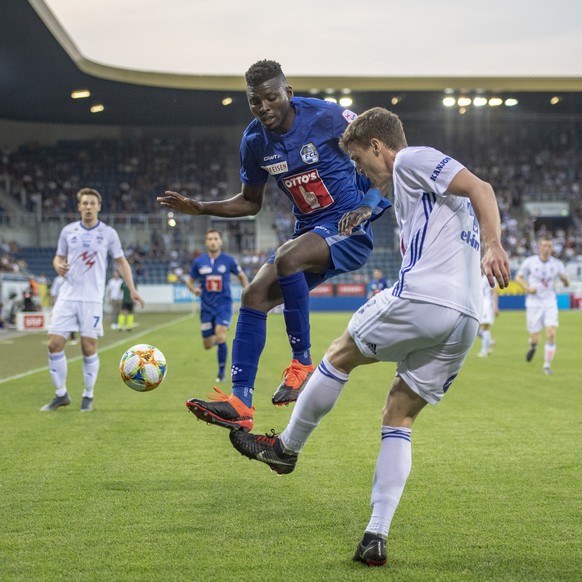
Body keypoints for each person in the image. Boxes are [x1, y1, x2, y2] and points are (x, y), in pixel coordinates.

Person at [229, 107, 510, 567]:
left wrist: (495, 243)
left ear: (379, 146)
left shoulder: (411, 159)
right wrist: (365, 206)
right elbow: (461, 199)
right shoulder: (413, 190)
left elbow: (482, 187)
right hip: (465, 320)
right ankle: (375, 535)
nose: (361, 172)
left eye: (360, 161)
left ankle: (285, 449)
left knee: (338, 355)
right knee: (398, 415)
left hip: (422, 299)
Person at [157, 59, 390, 431]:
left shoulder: (328, 117)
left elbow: (383, 154)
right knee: (253, 296)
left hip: (349, 227)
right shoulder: (253, 141)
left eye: (270, 98)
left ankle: (302, 364)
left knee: (286, 258)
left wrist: (369, 204)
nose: (263, 107)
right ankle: (240, 402)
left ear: (288, 93)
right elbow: (251, 202)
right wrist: (201, 208)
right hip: (311, 232)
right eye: (255, 102)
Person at [41, 187, 144, 412]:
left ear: (99, 206)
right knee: (53, 343)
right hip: (68, 296)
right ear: (79, 206)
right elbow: (58, 257)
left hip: (91, 300)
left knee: (88, 348)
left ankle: (88, 395)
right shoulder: (68, 231)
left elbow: (121, 261)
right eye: (84, 203)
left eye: (92, 203)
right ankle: (61, 394)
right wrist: (57, 265)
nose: (88, 207)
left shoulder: (108, 233)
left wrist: (132, 289)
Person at [187, 229, 249, 382]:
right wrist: (194, 289)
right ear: (206, 242)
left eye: (215, 238)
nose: (213, 241)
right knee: (207, 344)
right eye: (210, 239)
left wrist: (247, 293)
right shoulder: (199, 262)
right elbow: (189, 280)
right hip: (206, 308)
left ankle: (221, 373)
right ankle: (218, 340)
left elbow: (241, 276)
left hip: (224, 305)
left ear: (221, 242)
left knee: (221, 335)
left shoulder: (229, 260)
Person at [515, 238, 569, 374]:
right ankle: (533, 346)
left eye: (549, 246)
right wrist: (527, 288)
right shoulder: (530, 262)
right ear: (539, 247)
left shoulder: (557, 264)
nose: (547, 249)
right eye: (544, 246)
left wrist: (565, 280)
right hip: (534, 303)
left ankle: (546, 365)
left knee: (551, 333)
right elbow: (518, 278)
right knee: (536, 337)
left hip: (550, 302)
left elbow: (566, 283)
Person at [477, 273, 499, 357]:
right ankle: (489, 341)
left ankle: (484, 352)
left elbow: (495, 291)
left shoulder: (490, 277)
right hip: (480, 304)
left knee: (485, 327)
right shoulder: (480, 277)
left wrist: (495, 306)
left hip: (487, 305)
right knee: (475, 328)